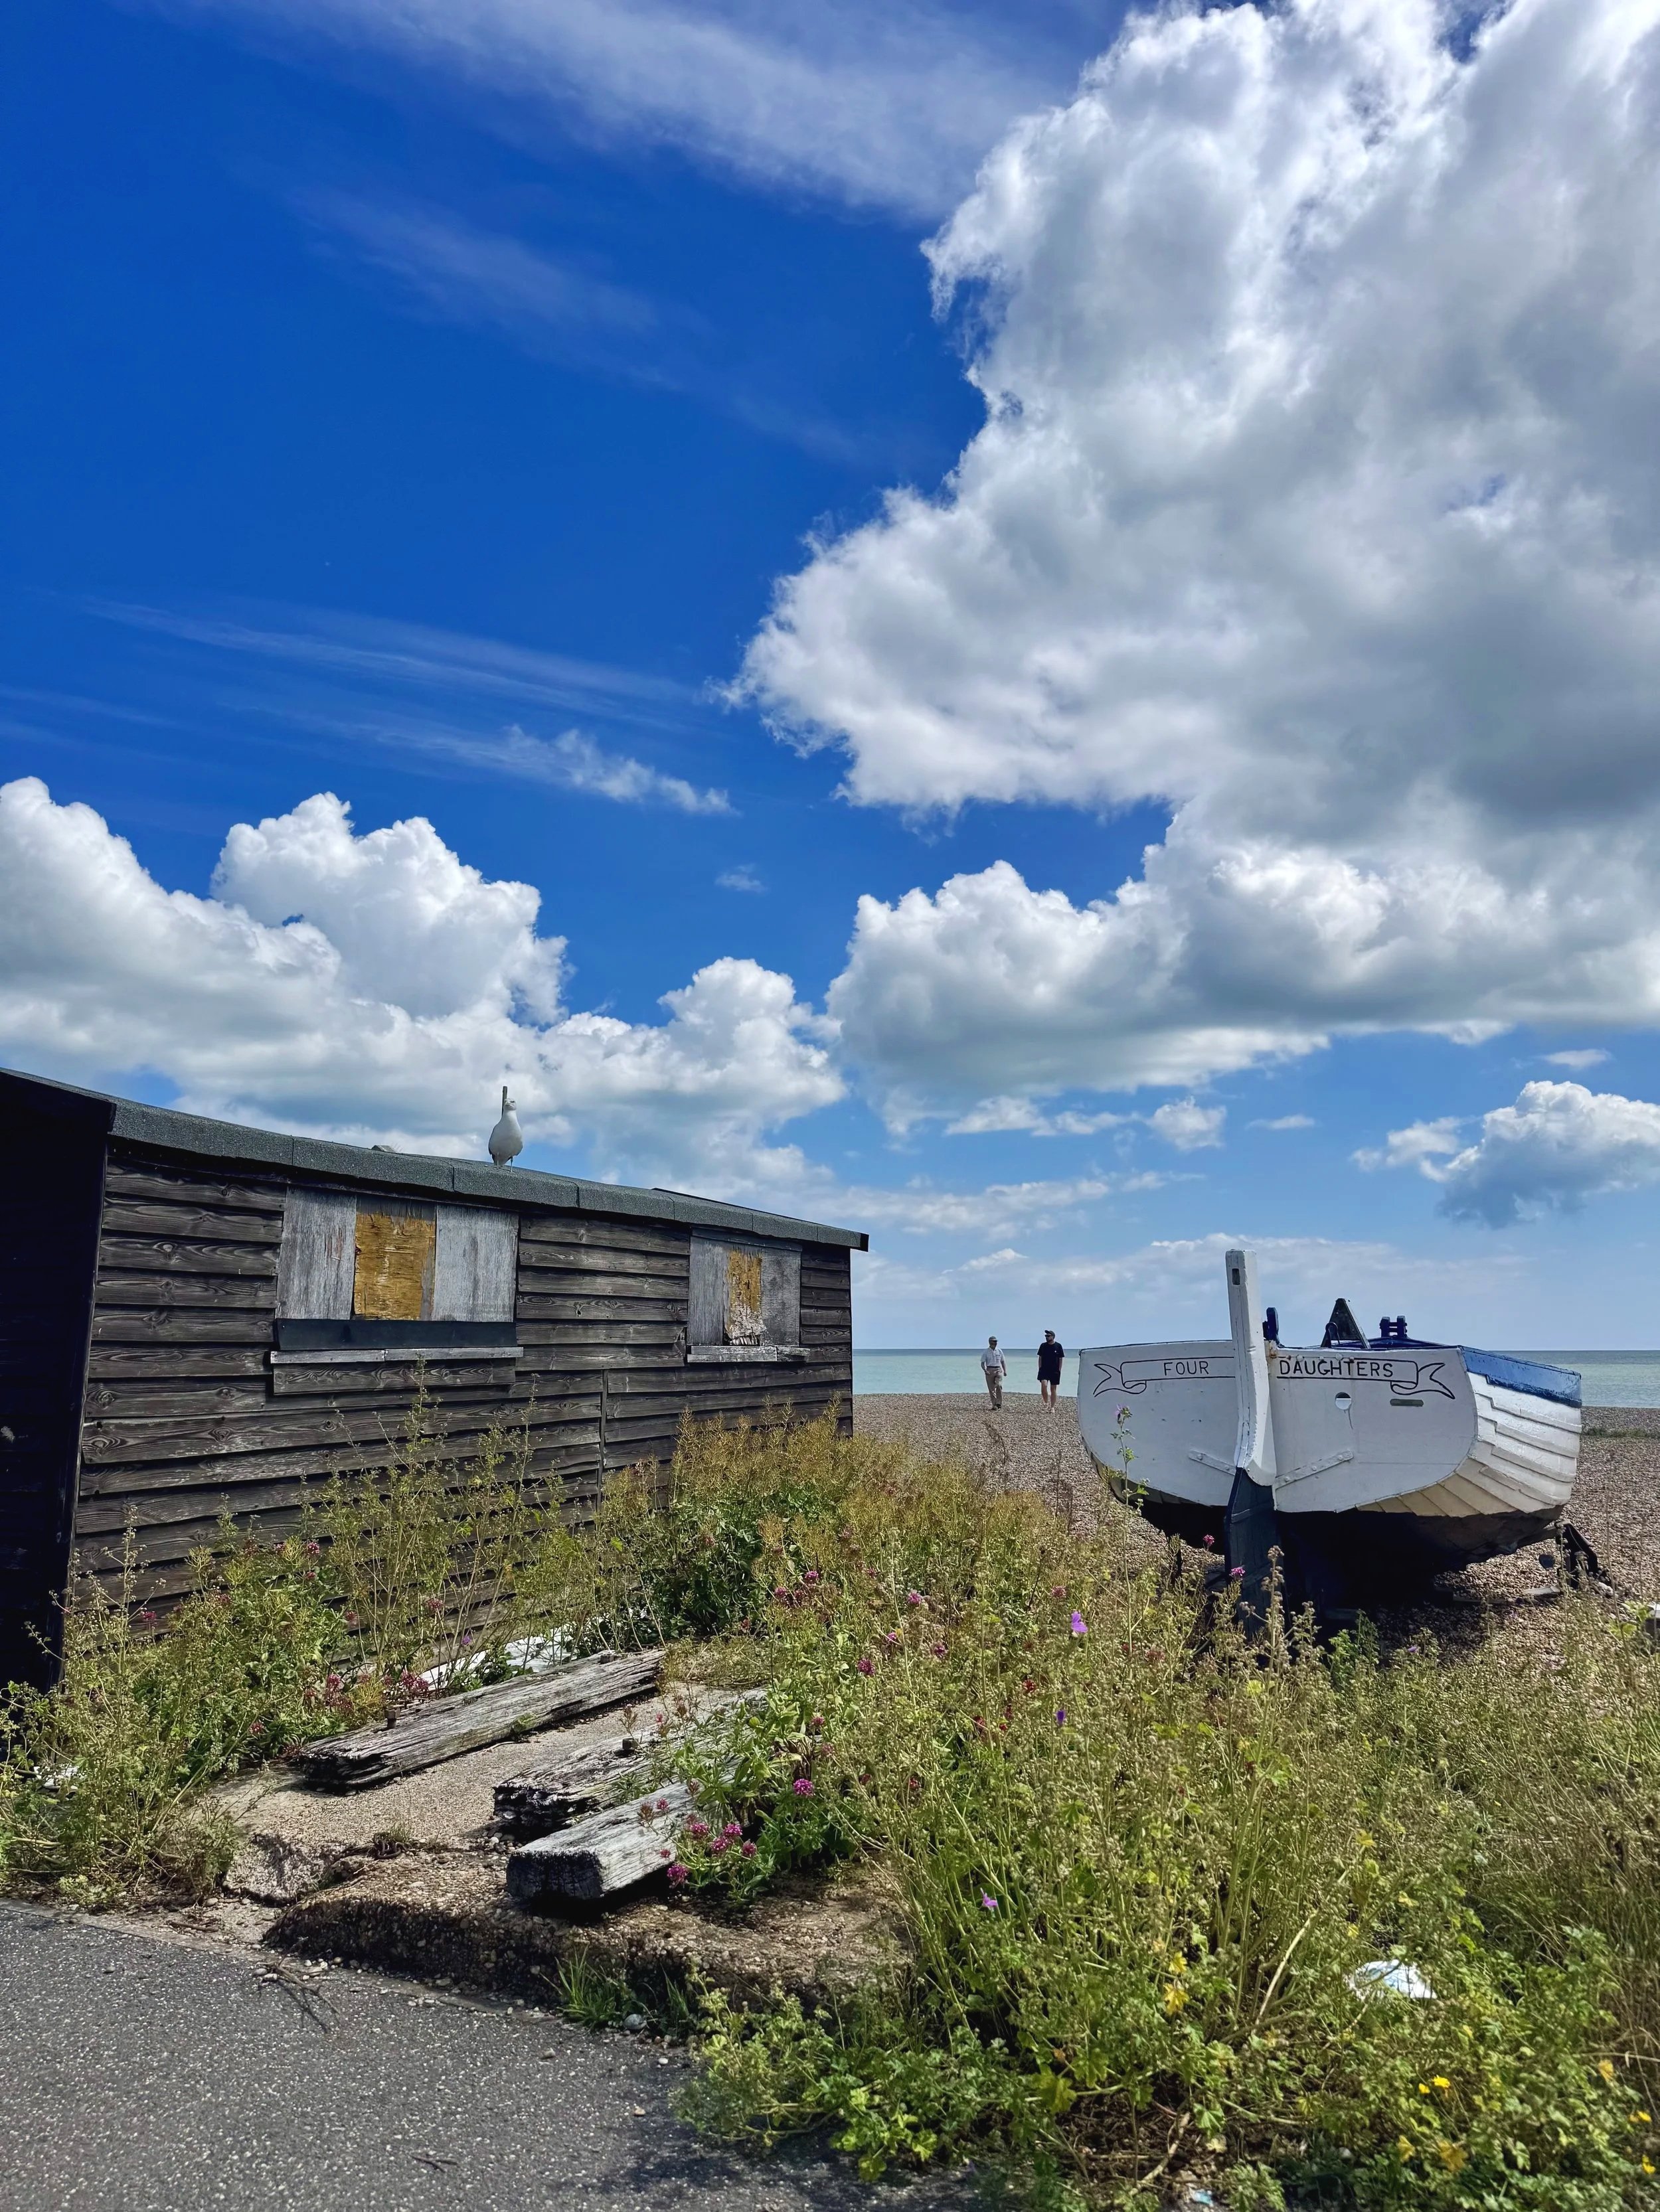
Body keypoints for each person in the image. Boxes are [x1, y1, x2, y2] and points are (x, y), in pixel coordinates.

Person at [1037, 1328, 1065, 1409]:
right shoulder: (1043, 1346)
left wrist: (1059, 1370)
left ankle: (1052, 1407)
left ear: (1053, 1337)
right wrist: (1040, 1368)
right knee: (1044, 1385)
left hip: (1054, 1371)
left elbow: (1061, 1359)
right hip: (1044, 1370)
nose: (1046, 1337)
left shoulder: (1058, 1346)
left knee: (1053, 1388)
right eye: (1046, 1336)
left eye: (1048, 1336)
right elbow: (1040, 1358)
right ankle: (1046, 1403)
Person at [979, 1335, 1007, 1409]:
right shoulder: (986, 1352)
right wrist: (985, 1370)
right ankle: (994, 1404)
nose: (995, 1343)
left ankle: (999, 1403)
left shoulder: (999, 1351)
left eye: (996, 1342)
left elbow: (1003, 1361)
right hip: (989, 1370)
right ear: (990, 1342)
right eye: (993, 1341)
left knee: (999, 1385)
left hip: (998, 1370)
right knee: (991, 1389)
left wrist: (1005, 1371)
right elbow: (982, 1363)